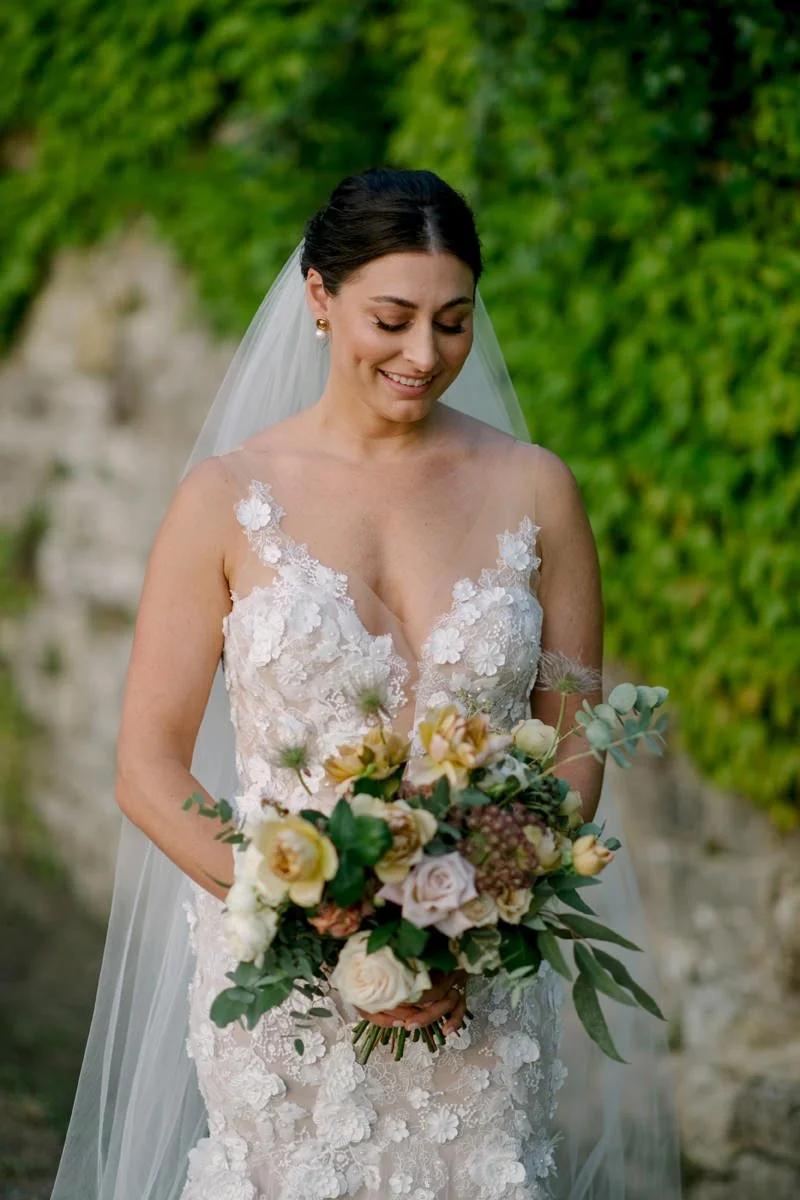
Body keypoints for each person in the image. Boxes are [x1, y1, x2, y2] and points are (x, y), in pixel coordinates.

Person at [52, 168, 681, 1199]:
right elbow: (146, 767)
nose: (423, 355)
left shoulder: (536, 489)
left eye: (452, 321)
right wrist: (317, 922)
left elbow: (571, 744)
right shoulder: (224, 499)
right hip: (284, 993)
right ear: (317, 296)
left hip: (476, 979)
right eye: (390, 318)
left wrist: (475, 910)